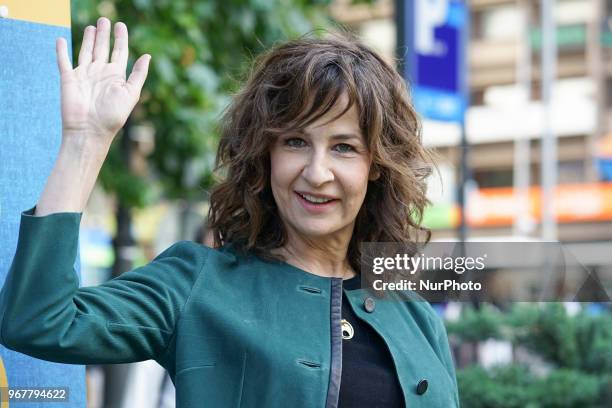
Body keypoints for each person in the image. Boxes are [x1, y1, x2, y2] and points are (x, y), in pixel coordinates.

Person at [0, 16, 459, 408]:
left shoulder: (415, 316)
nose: (317, 173)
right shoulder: (197, 283)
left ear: (375, 166)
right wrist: (86, 142)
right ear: (266, 153)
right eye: (295, 141)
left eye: (343, 147)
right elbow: (39, 320)